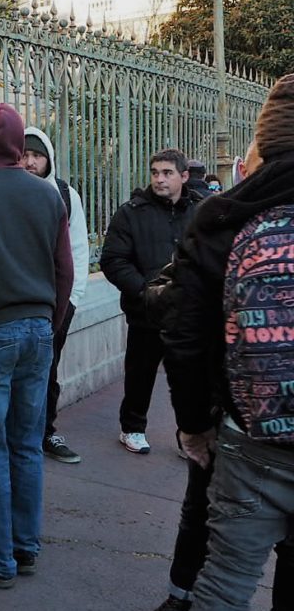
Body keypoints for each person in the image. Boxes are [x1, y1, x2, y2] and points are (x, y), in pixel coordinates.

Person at [132, 134, 294, 611]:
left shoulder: (228, 218)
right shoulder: (222, 216)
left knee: (223, 573)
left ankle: (184, 605)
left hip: (238, 422)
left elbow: (183, 328)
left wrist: (194, 424)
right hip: (234, 416)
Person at [0, 105, 72, 588]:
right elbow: (65, 269)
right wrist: (50, 316)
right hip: (39, 329)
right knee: (26, 445)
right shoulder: (47, 195)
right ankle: (24, 547)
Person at [100, 148, 202, 454]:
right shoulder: (131, 213)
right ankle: (132, 428)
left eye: (167, 173)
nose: (159, 179)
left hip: (189, 314)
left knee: (189, 381)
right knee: (140, 375)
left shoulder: (201, 210)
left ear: (184, 176)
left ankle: (189, 435)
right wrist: (146, 291)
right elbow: (113, 260)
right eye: (155, 172)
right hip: (147, 313)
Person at [22, 126, 89, 464]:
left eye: (37, 155)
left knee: (48, 372)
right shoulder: (9, 192)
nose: (30, 162)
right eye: (25, 155)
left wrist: (71, 300)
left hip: (56, 305)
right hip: (17, 304)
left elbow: (77, 250)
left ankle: (45, 432)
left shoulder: (65, 195)